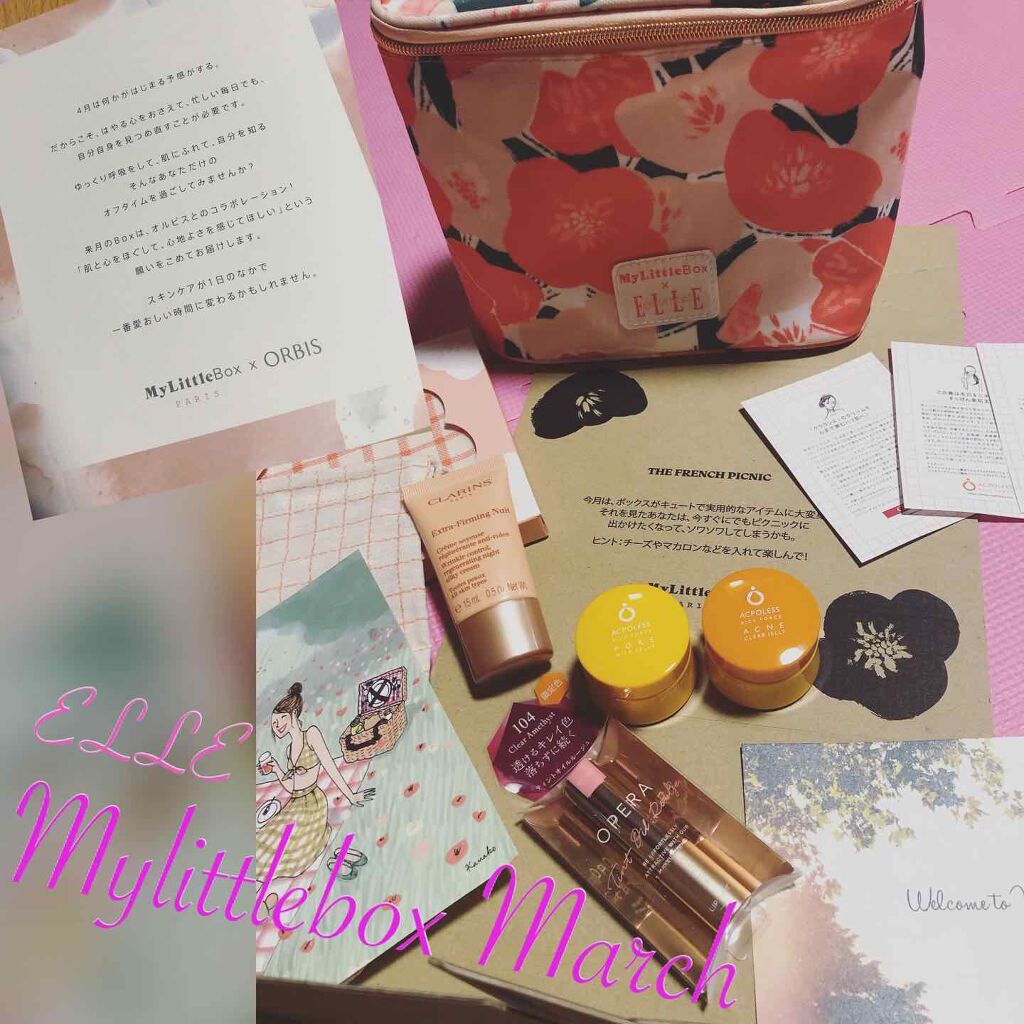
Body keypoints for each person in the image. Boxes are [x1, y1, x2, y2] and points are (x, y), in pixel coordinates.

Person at [255, 682, 366, 888]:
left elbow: (330, 766)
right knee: (263, 839)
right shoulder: (288, 750)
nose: (276, 726)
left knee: (290, 846)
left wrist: (351, 796)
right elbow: (292, 787)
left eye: (280, 719)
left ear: (293, 714)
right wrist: (276, 769)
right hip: (294, 802)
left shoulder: (311, 734)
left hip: (312, 803)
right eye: (273, 723)